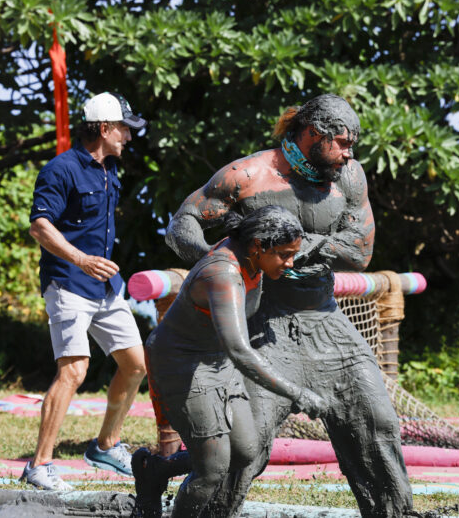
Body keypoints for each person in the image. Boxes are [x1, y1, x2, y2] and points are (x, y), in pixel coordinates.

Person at [164, 94, 413, 517]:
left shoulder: (349, 176)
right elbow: (183, 223)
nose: (348, 153)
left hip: (325, 319)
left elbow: (361, 251)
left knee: (379, 422)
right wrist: (220, 262)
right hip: (264, 321)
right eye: (341, 142)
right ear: (312, 133)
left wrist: (312, 245)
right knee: (248, 447)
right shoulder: (247, 175)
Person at [136, 205, 326, 517]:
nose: (290, 262)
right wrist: (297, 393)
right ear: (257, 246)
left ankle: (155, 471)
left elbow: (234, 345)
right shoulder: (223, 273)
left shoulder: (256, 257)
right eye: (285, 255)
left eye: (294, 254)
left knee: (244, 452)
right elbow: (239, 350)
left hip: (217, 358)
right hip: (182, 363)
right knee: (212, 470)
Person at [22, 92, 148, 491]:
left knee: (136, 365)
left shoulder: (110, 169)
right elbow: (40, 227)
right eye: (124, 128)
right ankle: (40, 465)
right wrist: (81, 260)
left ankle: (105, 446)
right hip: (69, 283)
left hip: (106, 287)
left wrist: (97, 267)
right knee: (74, 370)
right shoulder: (61, 170)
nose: (128, 136)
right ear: (105, 128)